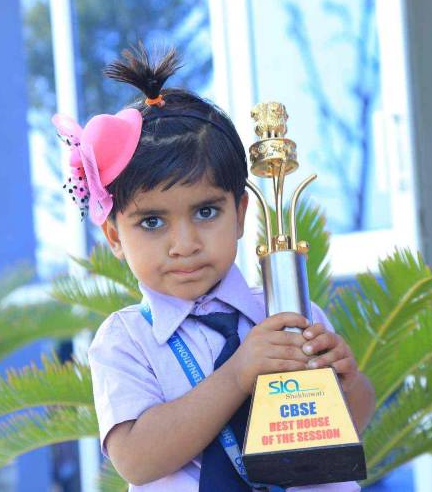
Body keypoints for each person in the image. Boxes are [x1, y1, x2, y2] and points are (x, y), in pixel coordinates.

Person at [52, 45, 376, 491]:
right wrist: (239, 373)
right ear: (114, 237)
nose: (184, 245)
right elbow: (137, 460)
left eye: (206, 212)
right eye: (152, 222)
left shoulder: (291, 316)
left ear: (240, 214)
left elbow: (348, 428)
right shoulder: (125, 340)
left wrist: (347, 381)